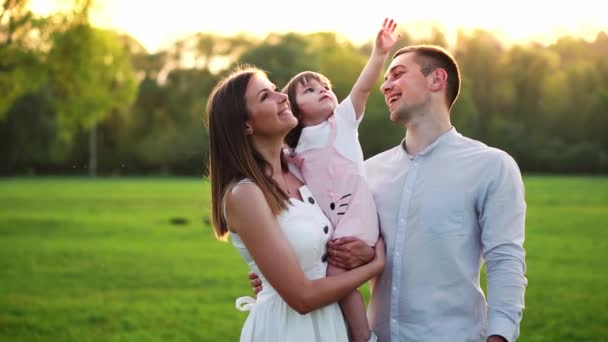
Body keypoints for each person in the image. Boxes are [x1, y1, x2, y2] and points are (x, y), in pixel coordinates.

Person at [252, 45, 528, 342]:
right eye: (384, 79)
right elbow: (323, 237)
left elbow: (505, 259)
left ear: (436, 80)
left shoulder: (491, 166)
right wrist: (281, 272)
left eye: (397, 74)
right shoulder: (366, 173)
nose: (385, 86)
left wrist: (499, 336)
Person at [207, 65, 386, 342]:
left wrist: (361, 251)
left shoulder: (303, 172)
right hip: (288, 330)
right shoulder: (246, 194)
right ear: (245, 125)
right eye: (266, 97)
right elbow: (301, 298)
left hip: (331, 327)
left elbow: (327, 240)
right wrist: (375, 265)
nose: (282, 97)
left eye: (277, 90)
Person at [280, 18, 399, 342]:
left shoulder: (342, 122)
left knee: (334, 275)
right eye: (310, 89)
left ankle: (362, 337)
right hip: (328, 222)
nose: (323, 92)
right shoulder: (291, 148)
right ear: (293, 108)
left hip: (355, 214)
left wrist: (379, 53)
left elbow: (362, 87)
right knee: (316, 272)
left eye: (326, 87)